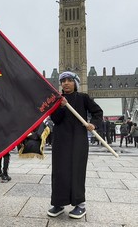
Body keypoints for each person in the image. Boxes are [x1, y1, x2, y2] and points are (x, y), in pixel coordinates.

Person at [47, 71, 103, 219]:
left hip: (78, 140)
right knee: (59, 172)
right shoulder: (57, 100)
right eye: (63, 80)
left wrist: (94, 124)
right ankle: (58, 203)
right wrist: (61, 106)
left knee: (76, 171)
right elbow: (56, 119)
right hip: (60, 141)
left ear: (75, 83)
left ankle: (80, 205)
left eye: (69, 80)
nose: (65, 83)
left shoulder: (83, 98)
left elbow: (98, 112)